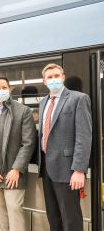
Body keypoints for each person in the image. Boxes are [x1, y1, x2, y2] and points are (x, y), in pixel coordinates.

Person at [0, 76, 36, 231]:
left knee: (14, 212)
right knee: (2, 216)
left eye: (4, 87)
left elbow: (28, 143)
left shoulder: (23, 111)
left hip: (13, 175)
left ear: (10, 89)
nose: (1, 91)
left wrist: (16, 169)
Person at [38, 63, 92, 231]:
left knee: (71, 219)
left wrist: (79, 170)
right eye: (49, 77)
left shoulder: (78, 98)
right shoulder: (43, 102)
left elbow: (84, 136)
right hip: (47, 168)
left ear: (63, 77)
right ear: (44, 81)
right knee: (53, 217)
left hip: (68, 170)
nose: (53, 79)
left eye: (56, 76)